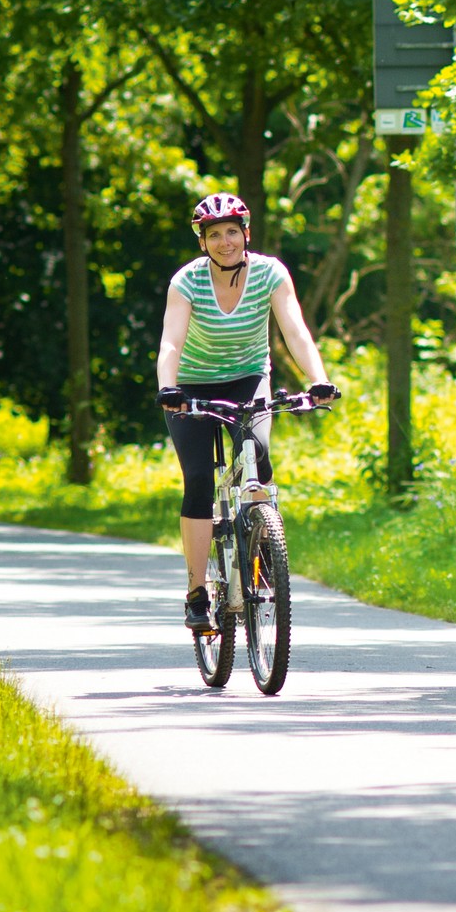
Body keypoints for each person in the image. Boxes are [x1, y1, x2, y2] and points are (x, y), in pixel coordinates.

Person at [156, 193, 338, 630]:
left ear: (246, 235)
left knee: (257, 455)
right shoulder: (187, 282)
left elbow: (295, 330)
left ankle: (260, 545)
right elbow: (171, 344)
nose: (225, 242)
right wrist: (169, 388)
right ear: (203, 242)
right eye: (214, 234)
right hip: (192, 386)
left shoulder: (270, 273)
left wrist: (318, 378)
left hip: (248, 378)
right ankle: (197, 592)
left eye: (232, 232)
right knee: (199, 479)